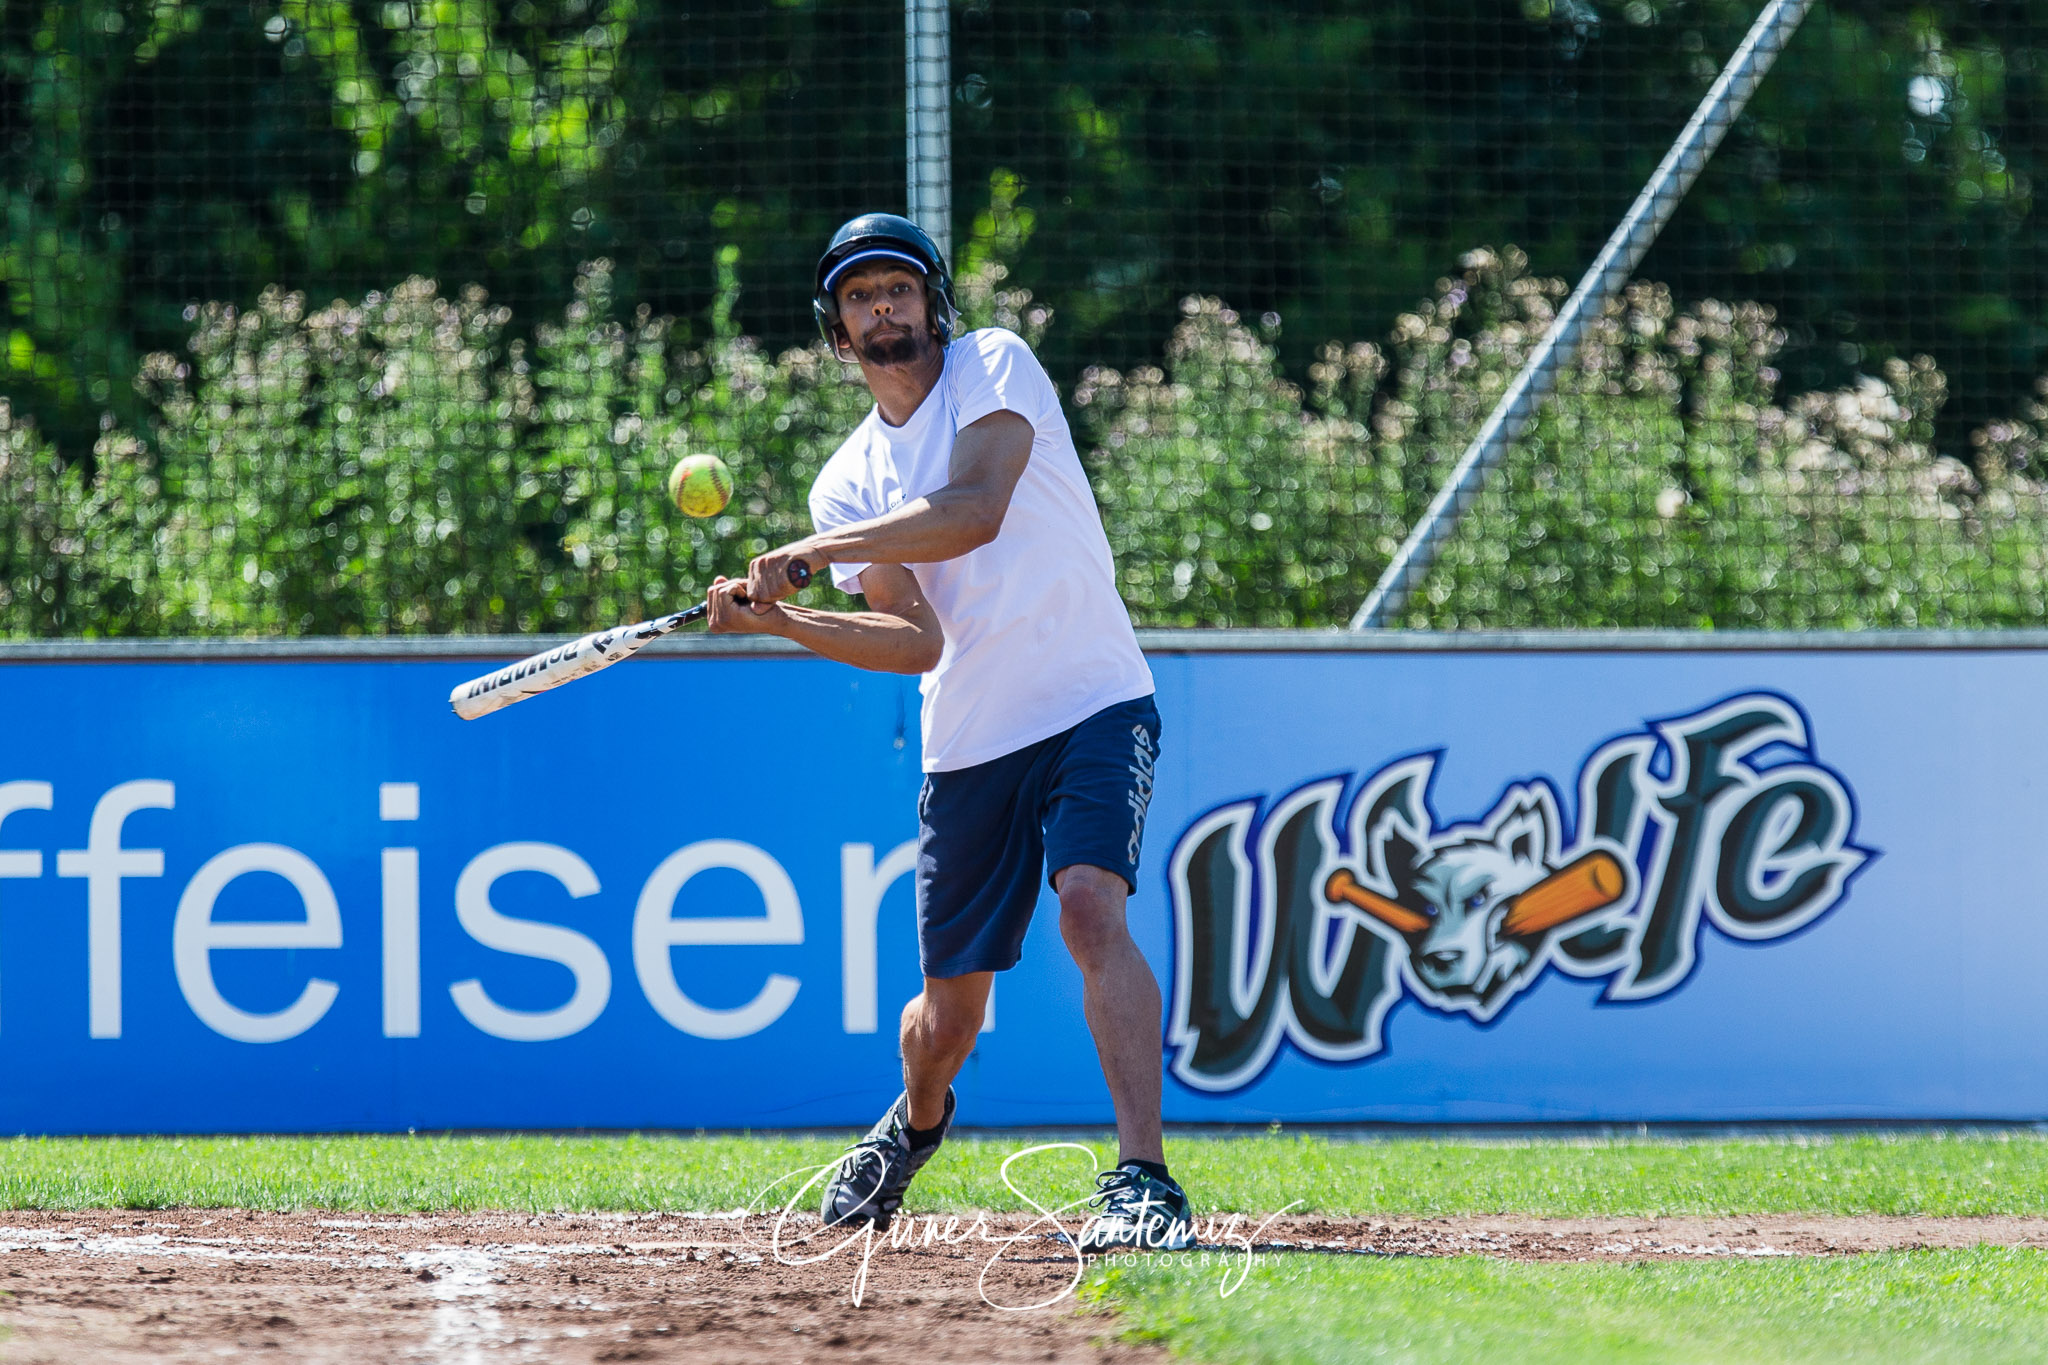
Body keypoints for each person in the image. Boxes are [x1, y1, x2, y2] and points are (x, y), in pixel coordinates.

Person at [704, 212, 1189, 1252]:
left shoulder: (992, 367)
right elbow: (913, 640)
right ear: (837, 331)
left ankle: (1142, 1180)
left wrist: (811, 551)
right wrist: (786, 618)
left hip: (1092, 699)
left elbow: (972, 508)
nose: (883, 308)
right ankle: (916, 1123)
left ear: (931, 305)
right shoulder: (845, 477)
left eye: (899, 289)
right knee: (945, 1023)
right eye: (859, 296)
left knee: (1091, 911)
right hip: (968, 745)